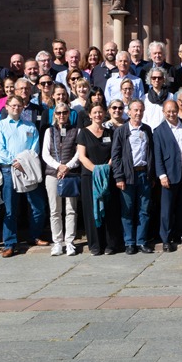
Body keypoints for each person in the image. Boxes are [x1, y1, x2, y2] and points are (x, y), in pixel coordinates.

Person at [0, 96, 46, 256]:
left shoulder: (30, 127)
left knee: (38, 207)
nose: (16, 108)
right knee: (11, 209)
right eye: (13, 105)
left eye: (19, 105)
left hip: (28, 169)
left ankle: (34, 235)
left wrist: (23, 162)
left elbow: (35, 148)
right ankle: (9, 243)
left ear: (23, 107)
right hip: (9, 170)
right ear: (7, 107)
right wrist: (14, 161)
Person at [111, 99, 156, 255]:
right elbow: (116, 156)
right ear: (128, 112)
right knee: (128, 210)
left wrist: (152, 175)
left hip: (145, 174)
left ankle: (141, 241)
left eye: (141, 110)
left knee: (144, 210)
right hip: (128, 176)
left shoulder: (147, 130)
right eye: (135, 110)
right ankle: (129, 242)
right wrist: (118, 177)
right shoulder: (121, 131)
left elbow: (152, 153)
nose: (138, 113)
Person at [77, 103, 122, 255]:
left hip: (107, 176)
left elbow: (114, 153)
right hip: (90, 177)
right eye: (94, 112)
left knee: (110, 210)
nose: (97, 115)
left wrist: (106, 169)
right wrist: (96, 170)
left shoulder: (110, 132)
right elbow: (82, 157)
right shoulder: (83, 133)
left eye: (100, 112)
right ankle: (95, 245)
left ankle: (111, 244)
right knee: (92, 210)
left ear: (105, 114)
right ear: (90, 115)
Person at [42, 103, 82, 256]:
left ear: (68, 114)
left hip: (70, 174)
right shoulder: (49, 131)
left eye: (65, 112)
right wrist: (59, 166)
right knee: (55, 210)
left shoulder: (76, 131)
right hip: (53, 174)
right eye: (58, 113)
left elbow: (78, 153)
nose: (61, 115)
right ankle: (57, 242)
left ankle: (70, 241)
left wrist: (68, 167)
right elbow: (45, 154)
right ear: (55, 115)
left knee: (71, 209)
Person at [152, 99, 182, 252]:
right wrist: (161, 175)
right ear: (164, 112)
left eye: (174, 110)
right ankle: (166, 238)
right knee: (167, 209)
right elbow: (158, 155)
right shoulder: (159, 131)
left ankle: (180, 233)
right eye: (168, 111)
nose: (171, 114)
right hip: (168, 173)